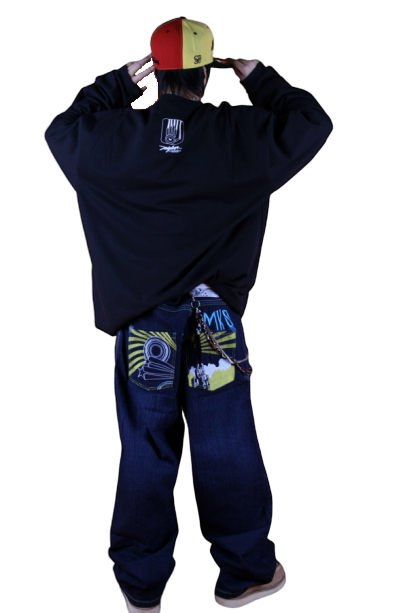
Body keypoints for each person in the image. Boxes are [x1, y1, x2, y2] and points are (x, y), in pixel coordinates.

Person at [44, 16, 333, 613]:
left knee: (146, 446)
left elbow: (61, 130)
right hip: (214, 320)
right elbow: (311, 122)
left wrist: (116, 85)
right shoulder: (240, 133)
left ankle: (141, 586)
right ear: (207, 73)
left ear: (157, 72)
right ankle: (244, 573)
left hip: (143, 321)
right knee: (225, 441)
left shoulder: (112, 138)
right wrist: (257, 78)